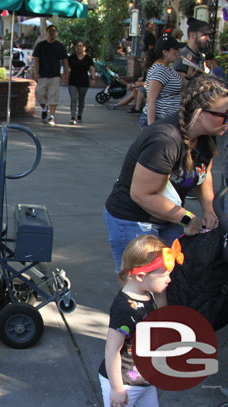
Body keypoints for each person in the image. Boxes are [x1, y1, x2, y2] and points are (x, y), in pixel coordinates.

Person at [104, 76, 227, 274]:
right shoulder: (166, 139)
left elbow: (204, 174)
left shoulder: (206, 136)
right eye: (224, 115)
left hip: (166, 217)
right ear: (199, 113)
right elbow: (142, 194)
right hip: (134, 219)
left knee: (171, 278)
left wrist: (209, 210)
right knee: (142, 283)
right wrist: (186, 218)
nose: (226, 121)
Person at [99, 234, 176, 407]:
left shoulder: (147, 293)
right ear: (141, 276)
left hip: (145, 379)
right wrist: (117, 389)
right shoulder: (125, 308)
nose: (169, 279)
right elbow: (112, 350)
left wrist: (160, 291)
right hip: (124, 383)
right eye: (165, 275)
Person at [138, 33, 184, 128]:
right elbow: (151, 100)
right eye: (175, 49)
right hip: (159, 120)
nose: (178, 52)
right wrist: (152, 127)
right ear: (165, 52)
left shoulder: (168, 68)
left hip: (167, 120)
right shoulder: (159, 70)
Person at [33, 24, 69, 126]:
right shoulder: (40, 45)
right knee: (39, 94)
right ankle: (44, 108)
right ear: (46, 33)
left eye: (54, 31)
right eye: (50, 31)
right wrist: (36, 73)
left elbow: (65, 60)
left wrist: (66, 73)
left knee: (53, 96)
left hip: (55, 76)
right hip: (43, 75)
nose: (52, 33)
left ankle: (51, 116)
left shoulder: (60, 46)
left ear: (56, 33)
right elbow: (36, 60)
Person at [173, 18, 212, 84]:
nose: (208, 39)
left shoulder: (200, 56)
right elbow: (177, 86)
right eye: (204, 35)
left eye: (209, 36)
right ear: (192, 36)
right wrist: (187, 77)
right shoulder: (182, 57)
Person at [67, 40, 95, 124]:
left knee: (81, 99)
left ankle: (79, 115)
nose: (79, 48)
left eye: (80, 46)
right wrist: (66, 75)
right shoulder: (72, 57)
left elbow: (92, 68)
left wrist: (93, 78)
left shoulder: (88, 58)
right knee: (73, 99)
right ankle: (72, 117)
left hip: (83, 81)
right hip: (73, 80)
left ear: (84, 48)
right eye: (77, 46)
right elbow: (67, 67)